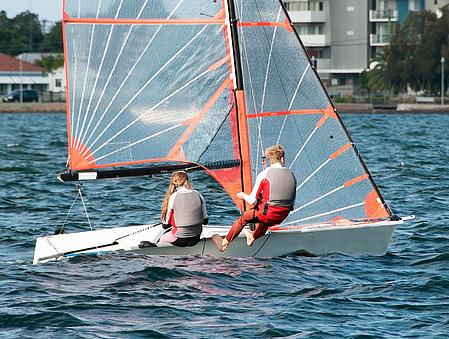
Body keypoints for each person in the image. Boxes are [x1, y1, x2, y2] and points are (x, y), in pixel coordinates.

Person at [212, 145, 296, 251]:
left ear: (270, 159)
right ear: (282, 159)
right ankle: (252, 237)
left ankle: (224, 244)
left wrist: (243, 195)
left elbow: (252, 200)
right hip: (283, 215)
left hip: (268, 214)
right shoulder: (291, 174)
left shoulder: (264, 174)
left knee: (243, 218)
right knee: (265, 221)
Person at [158, 171, 209, 247]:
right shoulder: (198, 194)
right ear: (187, 180)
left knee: (162, 238)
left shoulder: (173, 196)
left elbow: (165, 224)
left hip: (180, 239)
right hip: (196, 238)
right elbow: (205, 221)